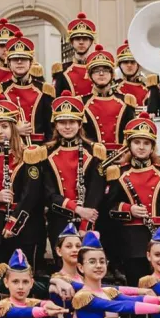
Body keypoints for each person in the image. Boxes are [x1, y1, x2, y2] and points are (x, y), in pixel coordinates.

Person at [102, 113, 160, 289]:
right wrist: (129, 209)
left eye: (146, 143)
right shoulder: (118, 173)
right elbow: (108, 208)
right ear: (129, 145)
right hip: (131, 241)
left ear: (153, 147)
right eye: (137, 142)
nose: (141, 147)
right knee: (136, 286)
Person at [0, 97, 50, 267]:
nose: (0, 131)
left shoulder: (29, 154)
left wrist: (14, 222)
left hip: (25, 226)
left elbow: (31, 194)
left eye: (5, 126)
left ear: (13, 128)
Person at [43, 95, 106, 249]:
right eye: (62, 122)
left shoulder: (94, 152)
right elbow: (48, 193)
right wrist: (77, 209)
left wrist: (85, 224)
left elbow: (96, 191)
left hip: (89, 221)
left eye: (72, 122)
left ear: (80, 124)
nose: (67, 127)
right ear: (56, 125)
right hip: (59, 220)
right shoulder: (46, 154)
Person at [0, 35, 54, 144]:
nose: (19, 62)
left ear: (31, 63)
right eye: (15, 59)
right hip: (10, 146)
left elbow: (50, 127)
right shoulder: (0, 90)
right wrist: (15, 131)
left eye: (24, 59)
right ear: (9, 63)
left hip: (39, 148)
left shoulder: (44, 90)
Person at [81, 45, 134, 155]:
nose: (101, 74)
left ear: (112, 74)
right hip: (92, 157)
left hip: (121, 157)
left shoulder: (126, 101)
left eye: (105, 70)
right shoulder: (82, 103)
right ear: (90, 75)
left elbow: (131, 134)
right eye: (96, 70)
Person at [52, 13, 97, 98]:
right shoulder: (62, 71)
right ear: (71, 42)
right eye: (77, 39)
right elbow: (56, 99)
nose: (81, 42)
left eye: (85, 39)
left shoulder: (98, 69)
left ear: (91, 42)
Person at [114, 42, 160, 115]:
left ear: (138, 65)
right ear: (119, 65)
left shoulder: (148, 87)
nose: (129, 65)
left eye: (133, 62)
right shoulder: (112, 88)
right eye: (125, 62)